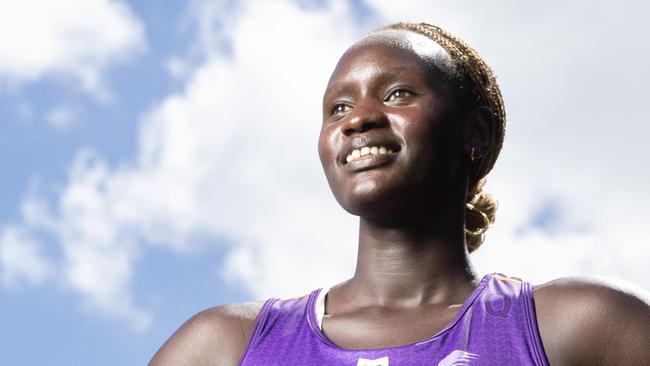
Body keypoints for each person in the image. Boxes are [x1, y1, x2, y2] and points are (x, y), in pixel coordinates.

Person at [149, 22, 650, 366]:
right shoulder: (221, 348)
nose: (358, 119)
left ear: (473, 131)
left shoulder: (583, 328)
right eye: (338, 107)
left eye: (396, 95)